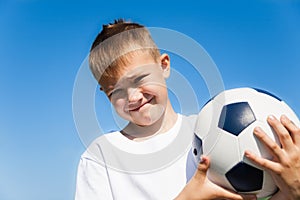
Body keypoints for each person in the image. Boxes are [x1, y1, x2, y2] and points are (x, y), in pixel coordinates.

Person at [75, 19, 300, 200]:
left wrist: (292, 191)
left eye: (139, 79)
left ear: (164, 65)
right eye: (116, 91)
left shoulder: (208, 131)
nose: (132, 97)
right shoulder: (101, 157)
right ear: (106, 94)